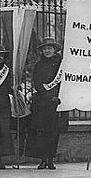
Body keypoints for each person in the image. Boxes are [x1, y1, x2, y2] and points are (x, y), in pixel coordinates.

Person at [25, 37, 63, 169]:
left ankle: (50, 160)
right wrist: (47, 96)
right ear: (42, 51)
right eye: (45, 49)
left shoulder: (61, 65)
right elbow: (37, 82)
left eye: (50, 48)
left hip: (55, 104)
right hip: (41, 103)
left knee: (53, 133)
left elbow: (63, 83)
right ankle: (42, 159)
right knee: (41, 133)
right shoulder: (38, 65)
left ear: (54, 50)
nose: (47, 51)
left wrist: (57, 97)